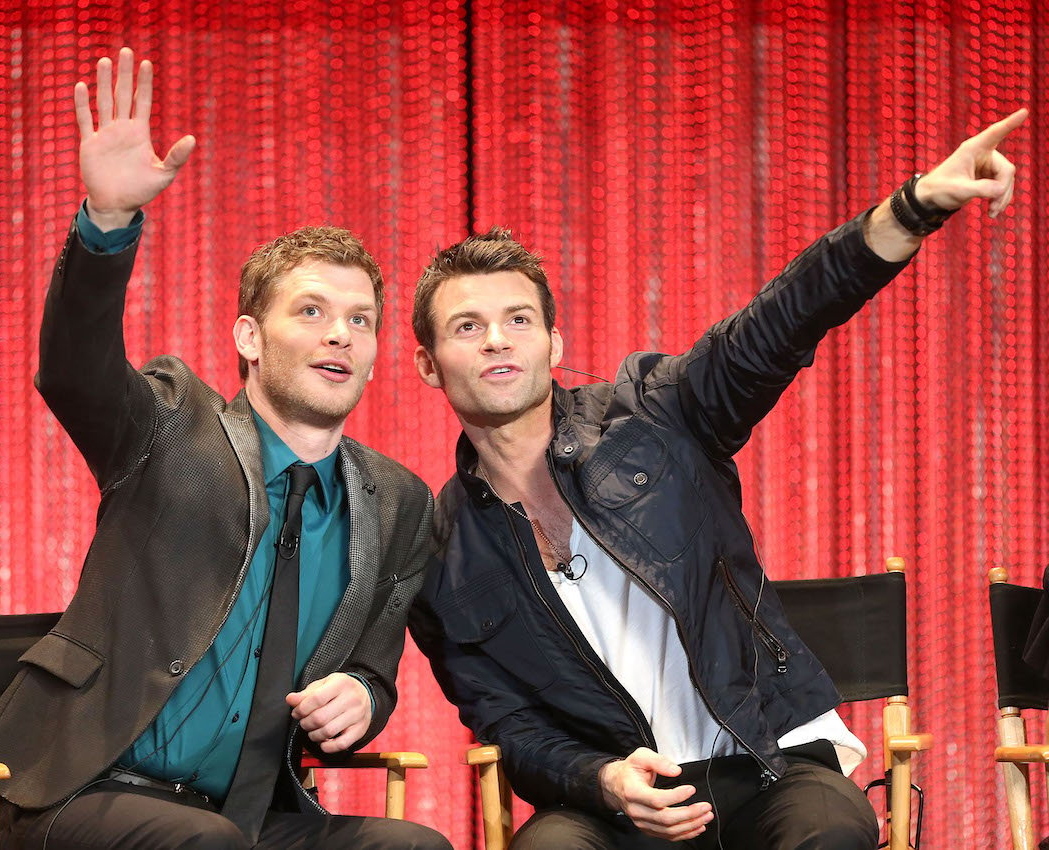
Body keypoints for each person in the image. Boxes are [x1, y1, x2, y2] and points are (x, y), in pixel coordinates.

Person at [407, 109, 1026, 849]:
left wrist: (913, 207)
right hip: (621, 796)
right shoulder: (439, 549)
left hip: (765, 760)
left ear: (553, 341)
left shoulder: (655, 412)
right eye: (468, 327)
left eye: (518, 319)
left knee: (831, 832)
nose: (498, 339)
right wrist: (600, 781)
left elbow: (778, 323)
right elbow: (508, 723)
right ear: (428, 363)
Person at [0, 48, 450, 850]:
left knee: (411, 847)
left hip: (248, 812)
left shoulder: (397, 501)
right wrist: (107, 223)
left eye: (360, 320)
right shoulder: (170, 425)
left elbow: (374, 664)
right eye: (313, 311)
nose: (340, 334)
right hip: (84, 792)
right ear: (249, 337)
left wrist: (363, 695)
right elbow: (75, 371)